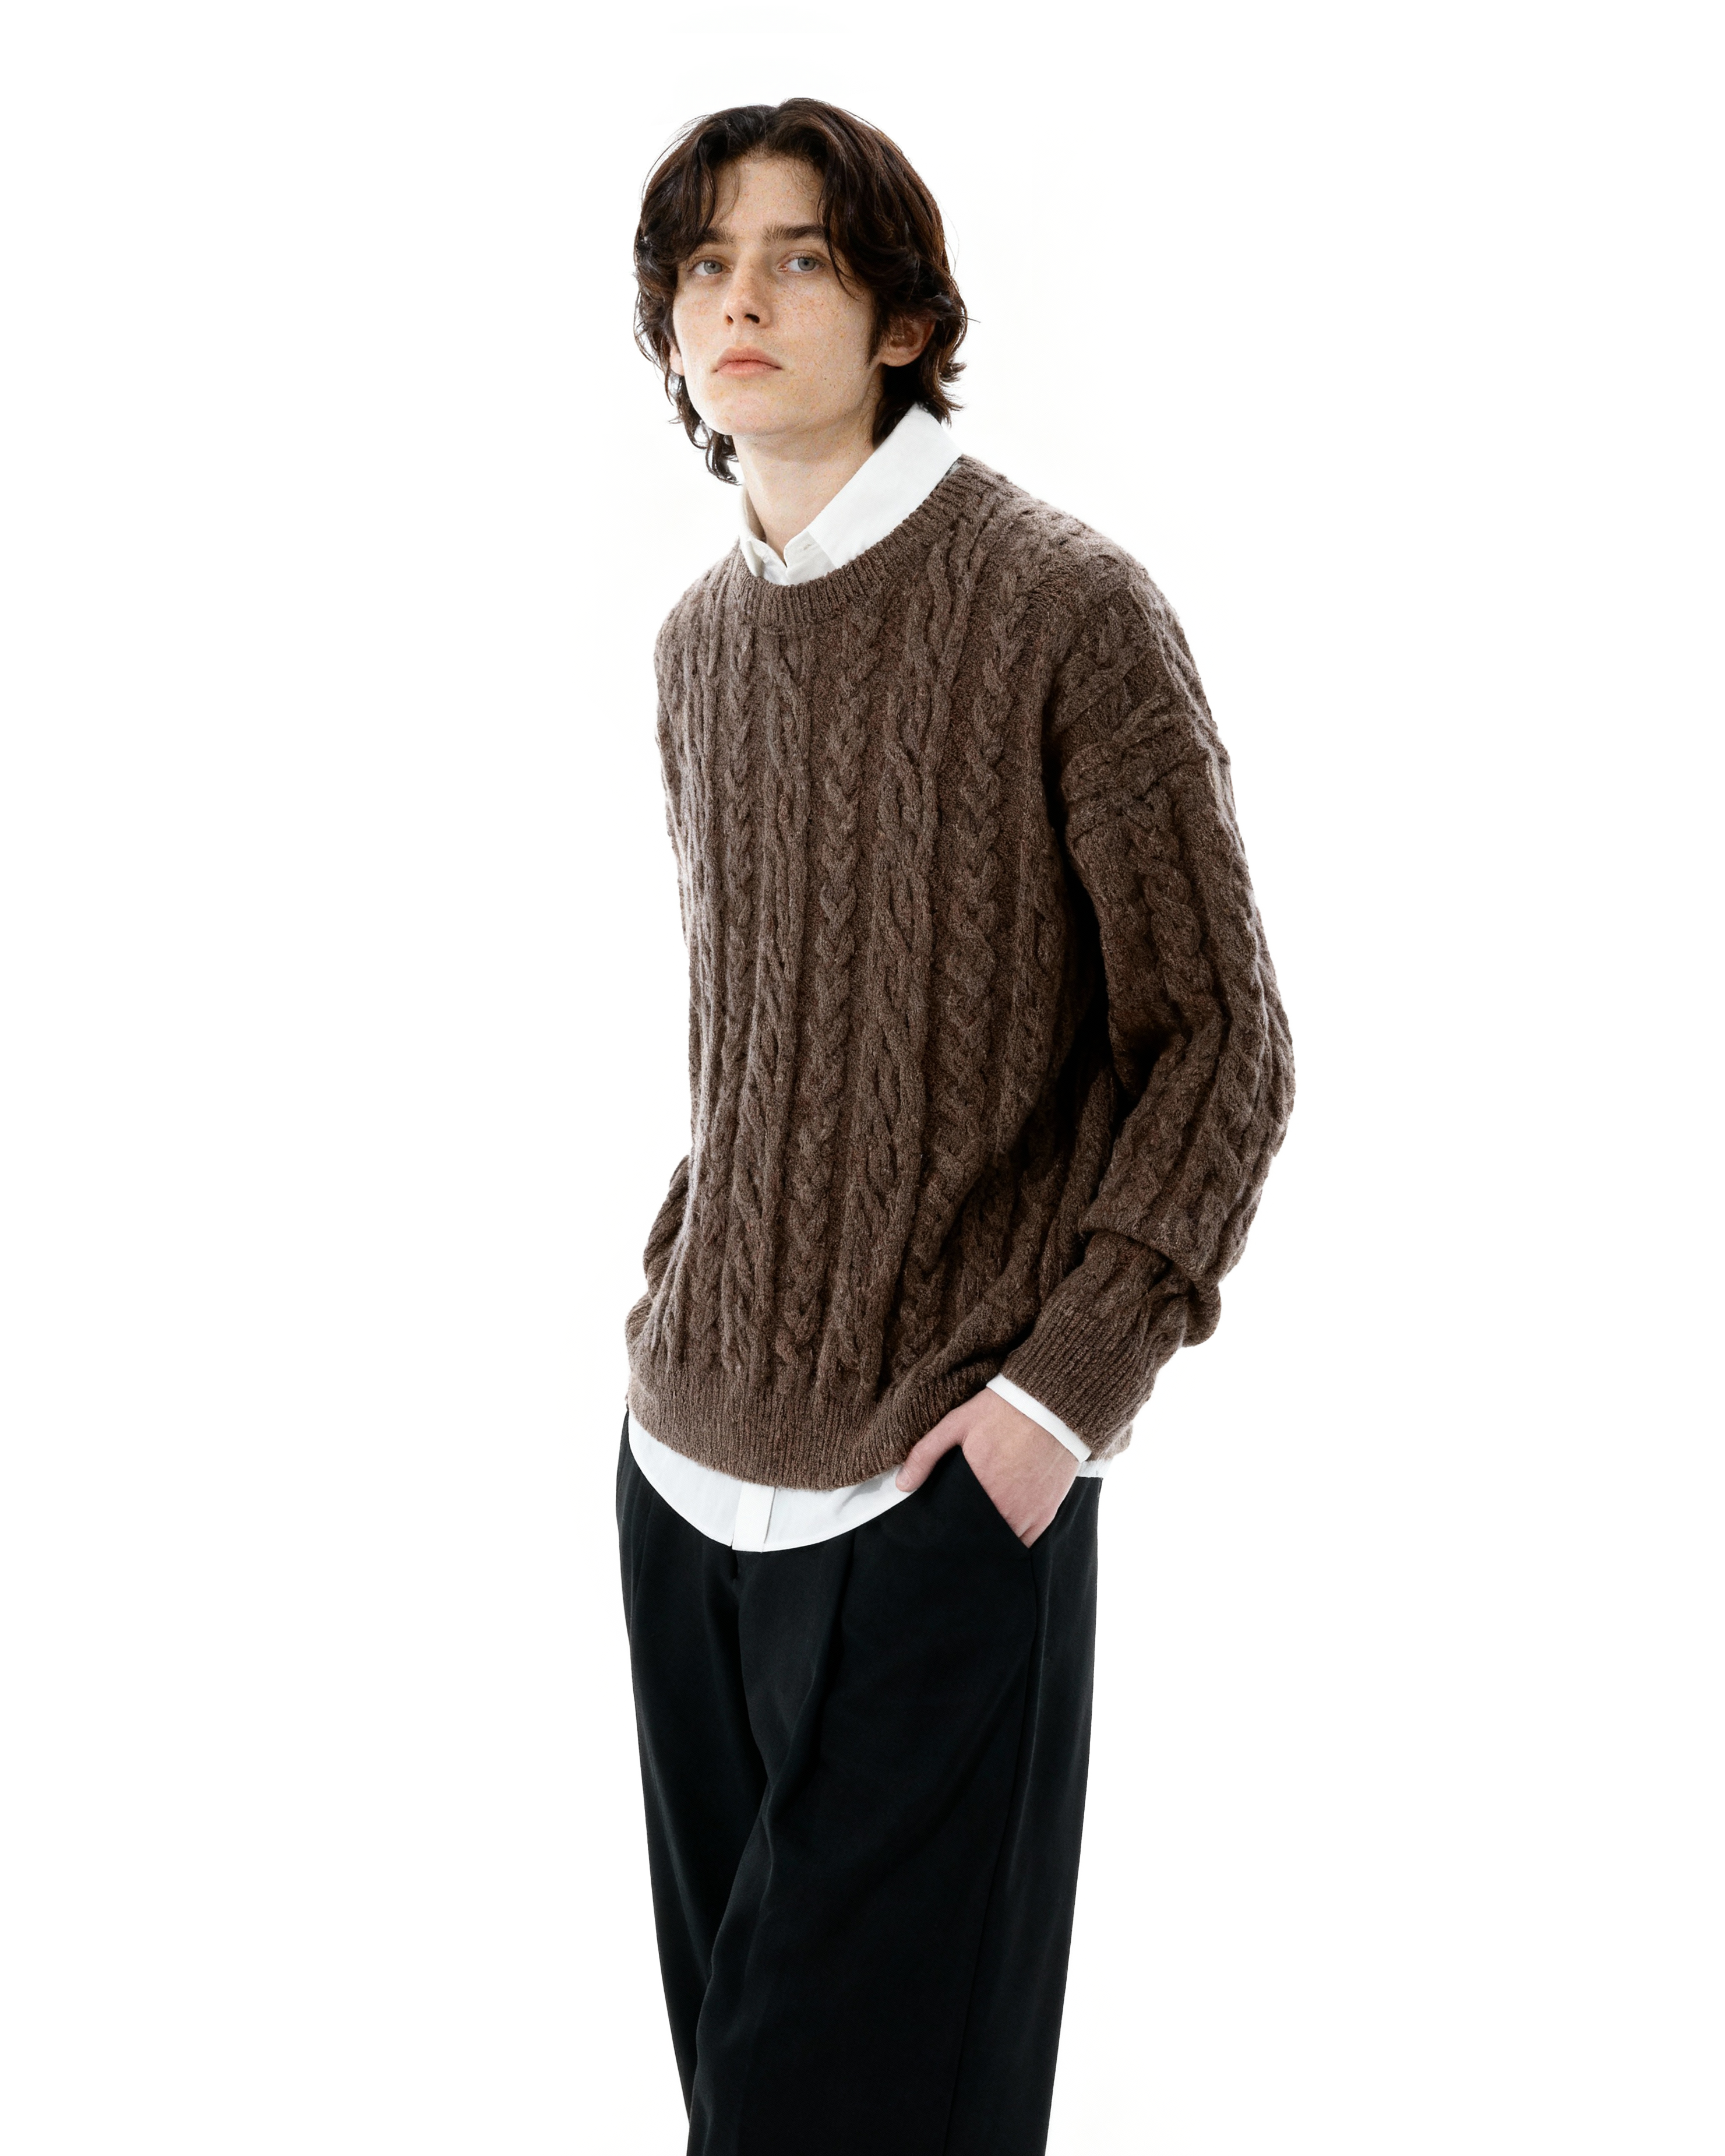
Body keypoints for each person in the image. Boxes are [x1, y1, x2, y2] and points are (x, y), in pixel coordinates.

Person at [615, 96, 1294, 2156]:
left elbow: (1222, 1045)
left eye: (800, 257)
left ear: (904, 319)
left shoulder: (1067, 607)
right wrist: (669, 1318)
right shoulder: (697, 645)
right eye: (706, 263)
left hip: (935, 1495)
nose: (741, 298)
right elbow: (765, 1048)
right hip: (684, 1487)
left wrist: (1055, 1403)